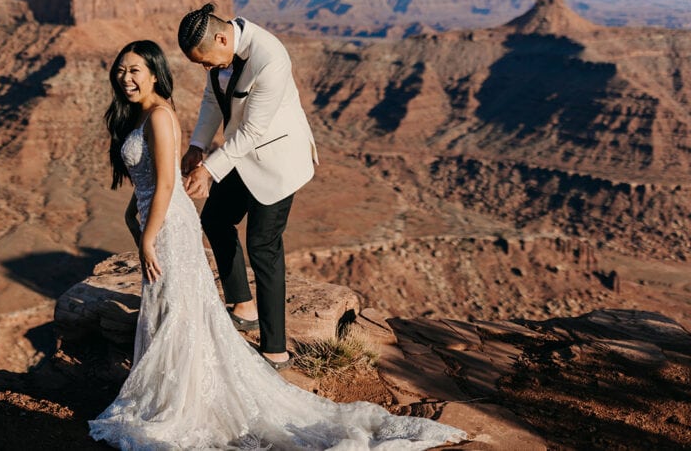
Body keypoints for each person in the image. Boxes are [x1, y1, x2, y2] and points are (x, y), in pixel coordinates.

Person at [89, 39, 465, 450]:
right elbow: (148, 178)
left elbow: (165, 183)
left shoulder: (160, 116)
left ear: (156, 74)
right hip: (158, 221)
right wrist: (134, 214)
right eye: (121, 70)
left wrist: (146, 237)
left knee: (181, 305)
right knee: (170, 307)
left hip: (171, 227)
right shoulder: (142, 115)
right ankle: (173, 388)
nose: (125, 78)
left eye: (135, 70)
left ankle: (220, 377)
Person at [178, 2, 317, 369]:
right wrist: (197, 145)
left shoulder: (270, 58)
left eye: (206, 61)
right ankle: (244, 305)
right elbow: (213, 99)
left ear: (221, 38)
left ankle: (276, 350)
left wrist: (208, 170)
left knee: (263, 246)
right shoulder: (221, 55)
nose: (207, 68)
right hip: (241, 154)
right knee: (215, 220)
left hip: (277, 161)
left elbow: (255, 131)